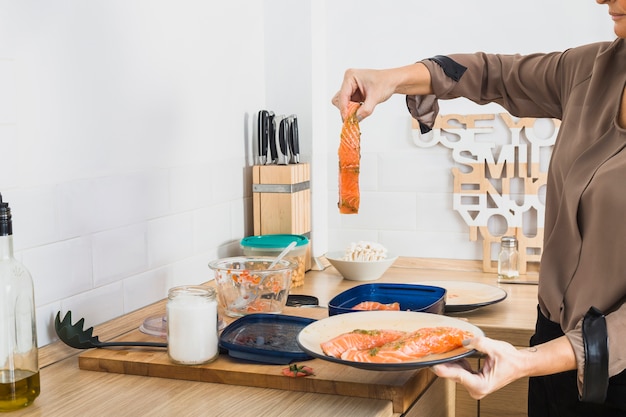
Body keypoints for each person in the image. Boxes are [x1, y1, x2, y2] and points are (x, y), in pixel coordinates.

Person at [332, 1, 626, 416]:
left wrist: (527, 362)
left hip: (612, 372)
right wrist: (391, 79)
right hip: (548, 352)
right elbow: (492, 73)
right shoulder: (594, 69)